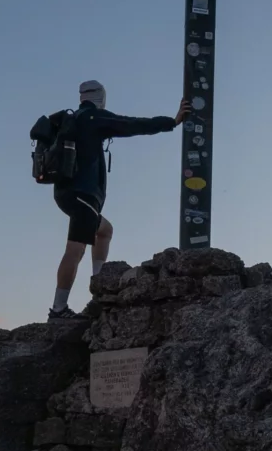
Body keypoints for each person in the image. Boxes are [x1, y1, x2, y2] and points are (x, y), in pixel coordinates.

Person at [45, 79, 189, 321]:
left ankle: (99, 289)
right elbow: (130, 124)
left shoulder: (72, 121)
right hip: (84, 195)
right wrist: (171, 122)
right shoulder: (93, 119)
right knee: (76, 249)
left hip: (66, 193)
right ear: (101, 97)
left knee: (104, 230)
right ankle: (58, 309)